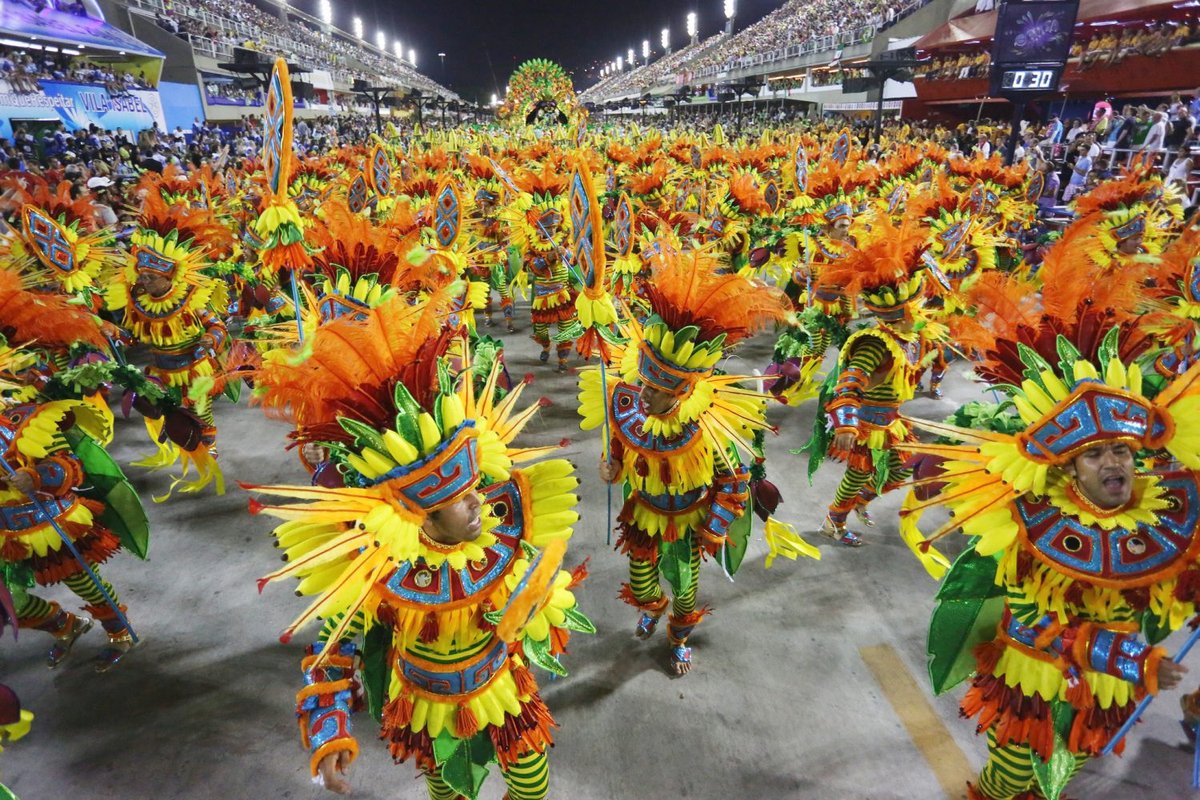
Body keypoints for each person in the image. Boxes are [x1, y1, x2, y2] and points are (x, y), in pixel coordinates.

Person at [250, 295, 590, 800]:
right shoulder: (380, 568)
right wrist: (330, 735)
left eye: (475, 486)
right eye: (458, 499)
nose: (479, 504)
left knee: (531, 788)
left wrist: (536, 601)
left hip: (506, 690)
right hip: (425, 710)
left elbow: (541, 595)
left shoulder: (504, 534)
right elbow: (335, 647)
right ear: (418, 514)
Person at [582, 243, 809, 675]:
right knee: (640, 581)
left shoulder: (710, 427)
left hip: (689, 522)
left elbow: (735, 480)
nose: (643, 395)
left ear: (682, 391)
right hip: (643, 514)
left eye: (655, 390)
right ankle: (651, 607)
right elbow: (619, 445)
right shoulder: (628, 403)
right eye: (643, 384)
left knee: (685, 587)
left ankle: (680, 637)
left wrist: (716, 529)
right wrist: (610, 468)